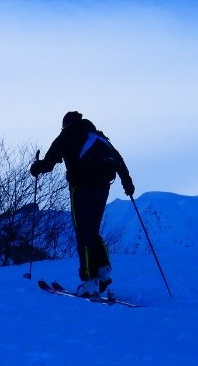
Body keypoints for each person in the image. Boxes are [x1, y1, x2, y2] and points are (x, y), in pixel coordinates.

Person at [31, 111, 135, 296]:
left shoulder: (68, 135)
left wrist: (36, 167)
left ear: (66, 125)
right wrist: (128, 184)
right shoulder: (99, 137)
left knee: (83, 233)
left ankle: (89, 281)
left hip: (81, 188)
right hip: (103, 187)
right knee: (93, 231)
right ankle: (103, 271)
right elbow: (118, 160)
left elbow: (49, 162)